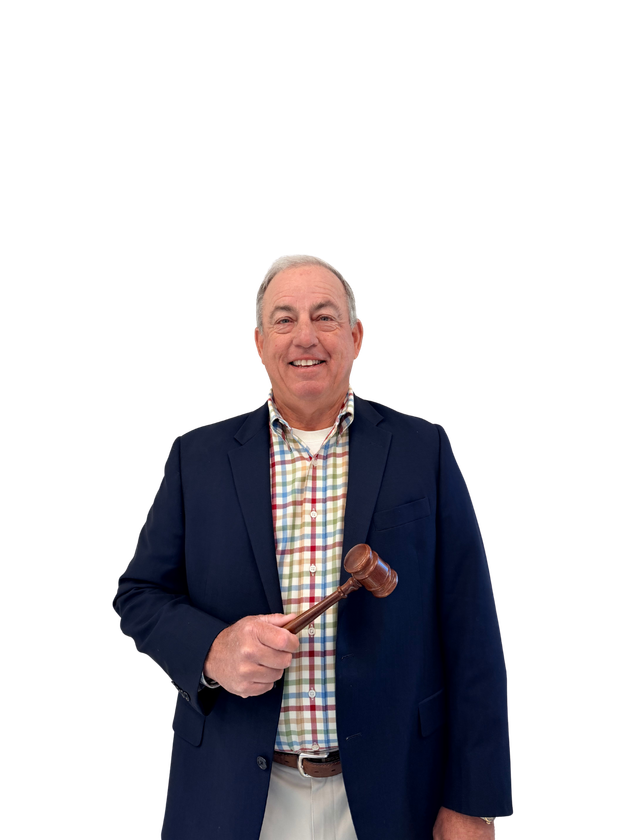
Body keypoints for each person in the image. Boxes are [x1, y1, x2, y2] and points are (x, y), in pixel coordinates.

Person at [114, 253, 512, 839]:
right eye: (284, 319)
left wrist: (473, 803)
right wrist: (212, 650)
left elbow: (472, 632)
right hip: (235, 796)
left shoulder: (422, 450)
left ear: (356, 336)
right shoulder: (195, 459)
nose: (306, 336)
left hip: (393, 793)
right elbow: (138, 595)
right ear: (258, 341)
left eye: (325, 317)